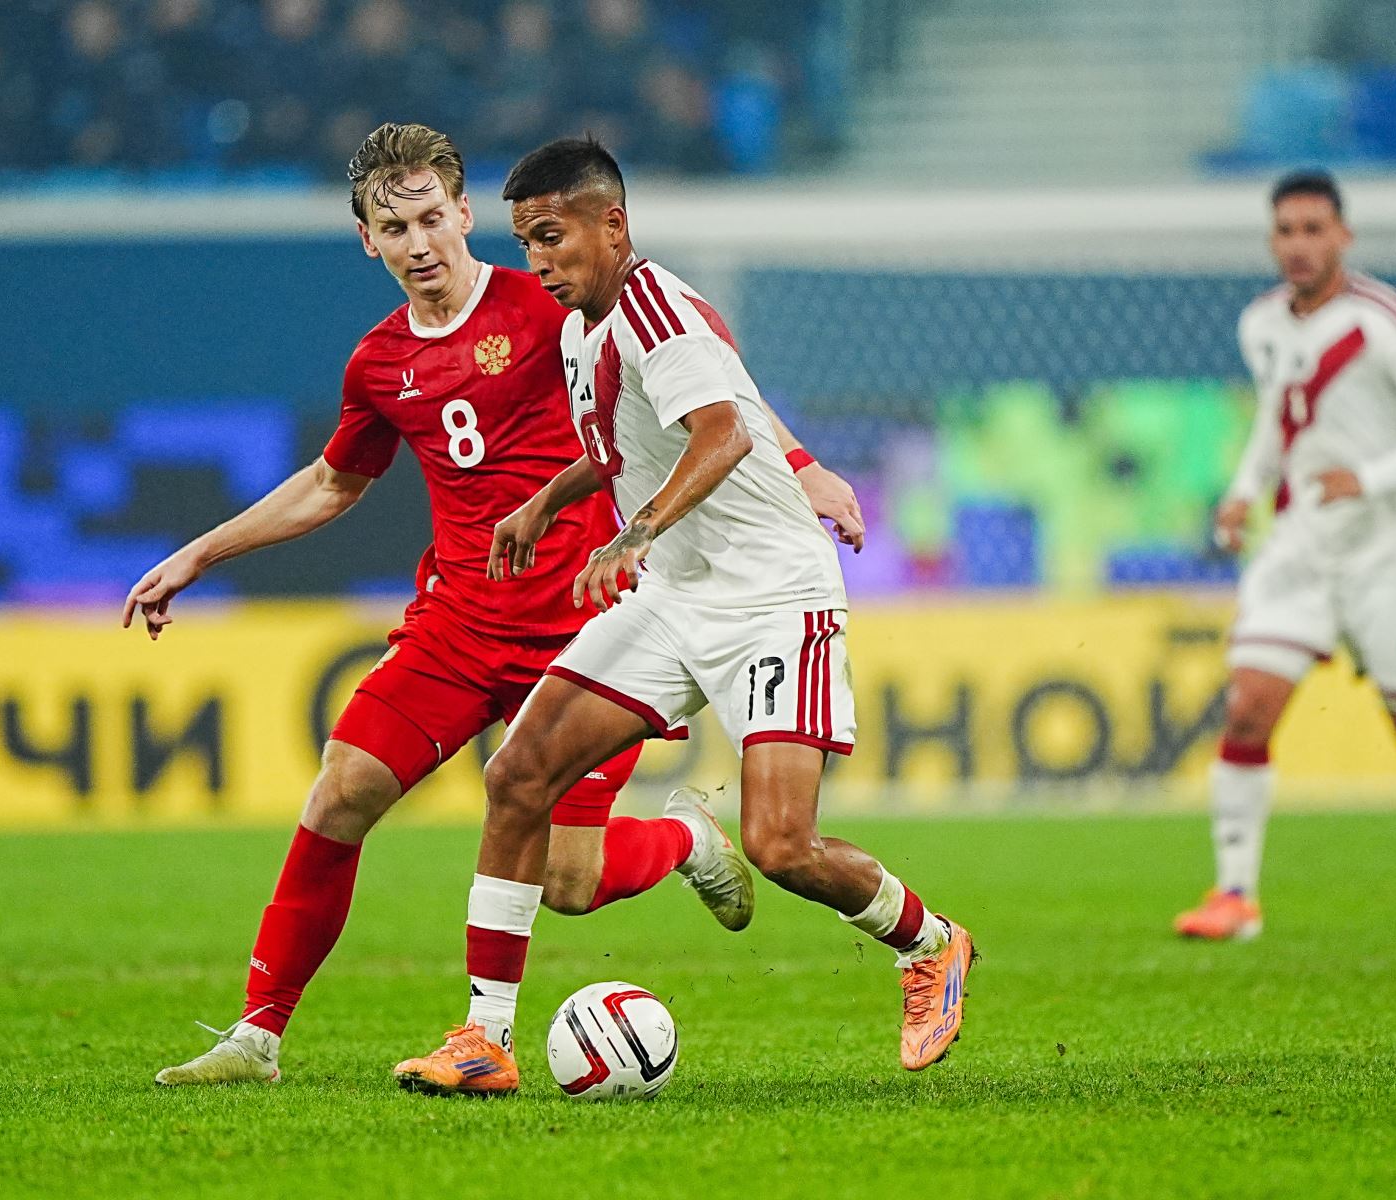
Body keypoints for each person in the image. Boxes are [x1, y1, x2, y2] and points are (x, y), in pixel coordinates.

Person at [125, 123, 865, 1085]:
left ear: (466, 213)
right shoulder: (380, 363)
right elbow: (330, 484)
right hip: (461, 622)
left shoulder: (558, 297)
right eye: (396, 227)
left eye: (433, 217)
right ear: (368, 240)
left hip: (587, 617)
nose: (420, 242)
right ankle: (256, 1038)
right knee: (341, 789)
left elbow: (713, 387)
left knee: (568, 881)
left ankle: (683, 838)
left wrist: (802, 467)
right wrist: (199, 553)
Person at [393, 137, 973, 1097]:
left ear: (611, 225)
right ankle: (483, 1039)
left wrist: (633, 536)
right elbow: (626, 445)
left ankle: (931, 944)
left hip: (772, 599)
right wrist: (546, 502)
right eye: (525, 241)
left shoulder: (658, 309)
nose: (536, 260)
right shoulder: (586, 329)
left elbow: (723, 430)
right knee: (519, 774)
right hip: (677, 594)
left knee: (781, 846)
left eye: (552, 236)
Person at [1175, 171, 1396, 941]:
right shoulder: (1262, 324)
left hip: (1390, 549)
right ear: (1272, 239)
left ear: (1344, 236)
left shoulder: (1385, 321)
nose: (1300, 245)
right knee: (1249, 704)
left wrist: (1370, 478)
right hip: (1302, 547)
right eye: (1286, 230)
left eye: (1315, 229)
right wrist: (1246, 488)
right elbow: (1278, 426)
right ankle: (1235, 897)